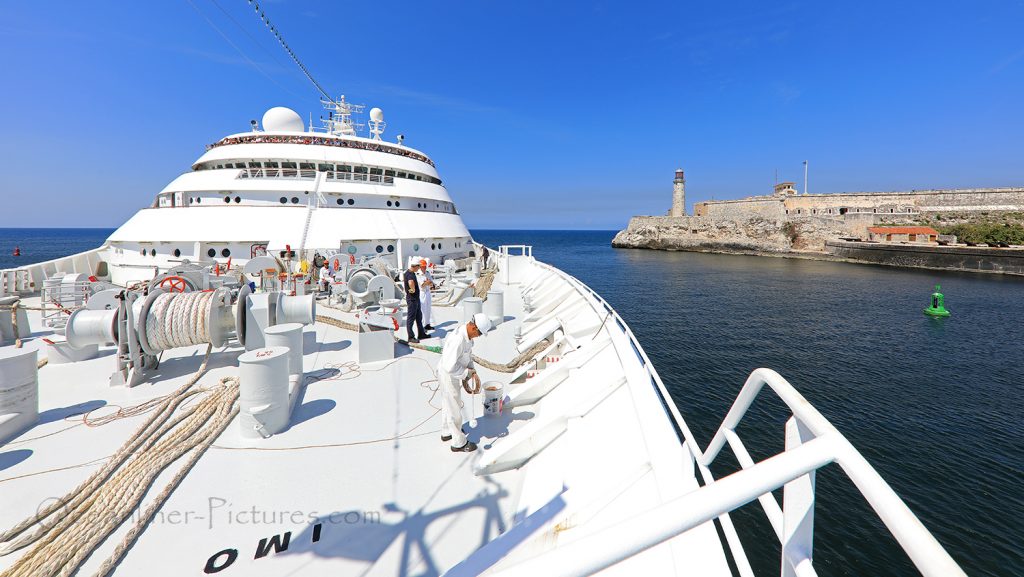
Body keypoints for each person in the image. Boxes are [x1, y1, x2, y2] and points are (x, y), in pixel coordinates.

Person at [437, 313, 494, 452]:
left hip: (452, 373)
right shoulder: (458, 339)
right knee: (454, 407)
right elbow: (450, 367)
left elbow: (466, 357)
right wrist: (466, 374)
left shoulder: (466, 337)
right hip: (449, 375)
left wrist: (471, 370)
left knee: (448, 404)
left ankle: (446, 431)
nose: (479, 336)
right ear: (474, 327)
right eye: (479, 333)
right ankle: (459, 442)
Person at [403, 261, 428, 343]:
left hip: (415, 299)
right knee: (411, 318)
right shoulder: (410, 274)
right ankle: (410, 337)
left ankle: (421, 334)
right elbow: (410, 282)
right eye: (418, 267)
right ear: (415, 266)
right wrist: (413, 289)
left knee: (418, 317)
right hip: (412, 300)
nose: (419, 268)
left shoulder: (409, 272)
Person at [417, 259, 434, 331]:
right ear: (420, 267)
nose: (424, 268)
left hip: (428, 292)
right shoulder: (418, 274)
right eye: (423, 266)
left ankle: (427, 324)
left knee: (428, 309)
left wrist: (428, 282)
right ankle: (423, 326)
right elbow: (422, 285)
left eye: (425, 266)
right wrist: (428, 282)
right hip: (422, 293)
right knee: (423, 310)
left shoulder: (427, 273)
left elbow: (431, 283)